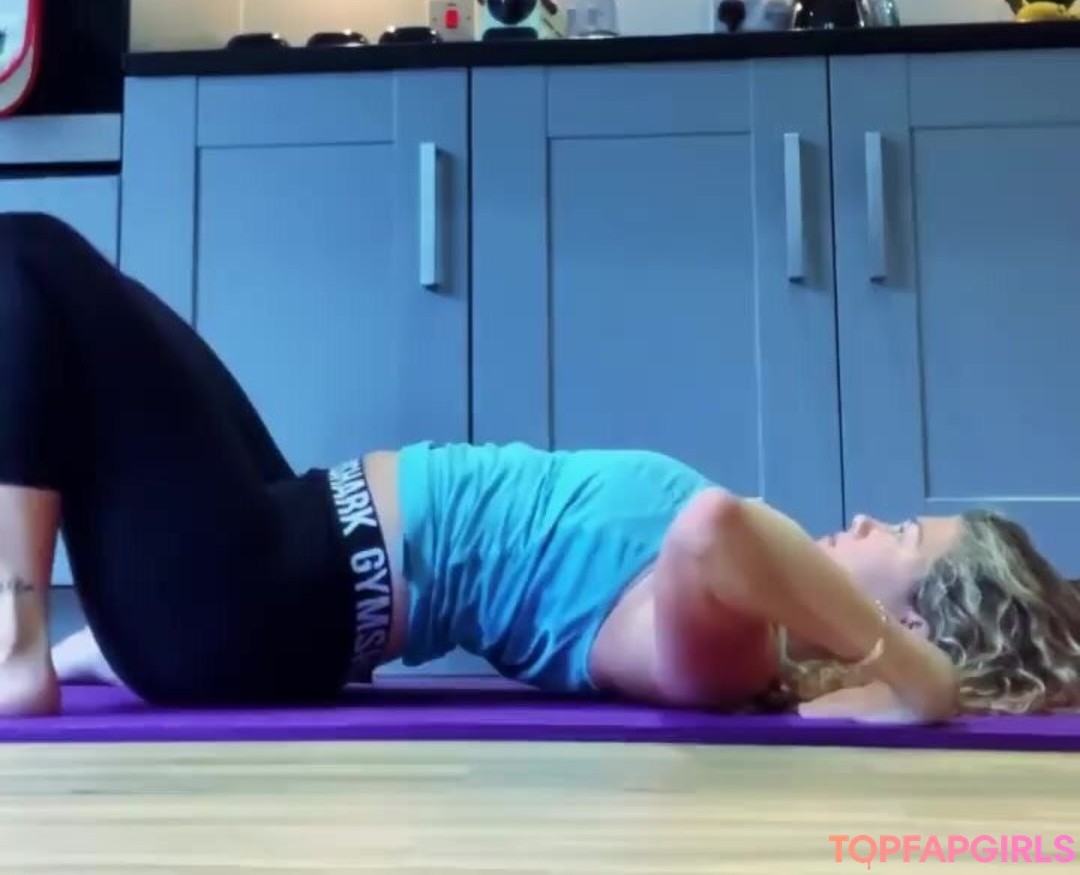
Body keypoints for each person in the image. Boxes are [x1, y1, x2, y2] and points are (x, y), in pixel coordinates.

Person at [1, 214, 1078, 722]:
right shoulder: (748, 625)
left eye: (903, 537)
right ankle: (72, 651)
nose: (871, 518)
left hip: (258, 598)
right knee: (81, 305)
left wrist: (907, 671)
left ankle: (17, 645)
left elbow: (716, 526)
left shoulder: (733, 655)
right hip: (272, 562)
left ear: (917, 617)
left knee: (32, 255)